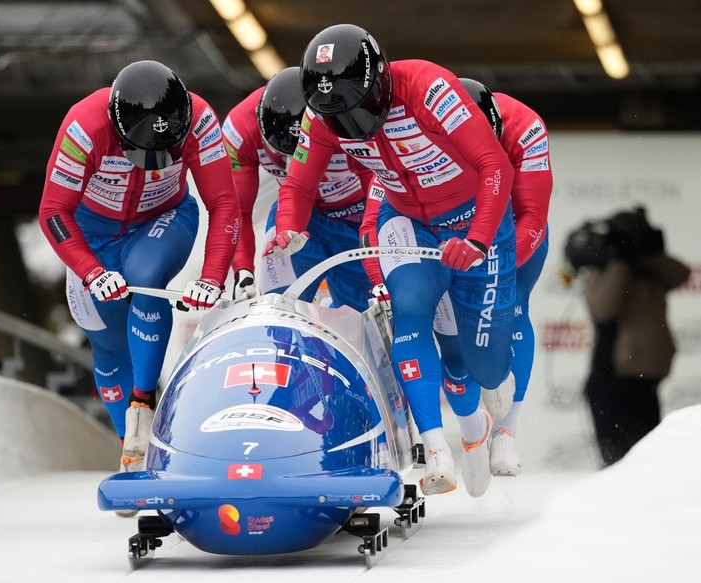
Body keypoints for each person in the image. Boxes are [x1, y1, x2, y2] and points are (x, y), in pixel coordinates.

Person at [264, 24, 517, 496]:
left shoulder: (429, 88)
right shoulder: (322, 118)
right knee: (410, 311)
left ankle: (480, 417)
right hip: (407, 220)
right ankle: (435, 446)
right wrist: (289, 229)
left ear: (380, 82)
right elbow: (297, 185)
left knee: (486, 368)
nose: (349, 125)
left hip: (474, 223)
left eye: (356, 111)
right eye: (336, 116)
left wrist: (480, 239)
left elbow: (494, 167)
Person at [39, 60, 240, 476]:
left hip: (162, 221)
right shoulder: (83, 126)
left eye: (164, 153)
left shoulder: (201, 120)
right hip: (92, 239)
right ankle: (132, 448)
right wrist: (91, 271)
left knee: (145, 279)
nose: (151, 162)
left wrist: (212, 276)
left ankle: (144, 401)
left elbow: (224, 203)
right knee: (108, 347)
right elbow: (54, 212)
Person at [434, 79, 553, 490]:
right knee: (453, 336)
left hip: (512, 234)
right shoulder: (429, 126)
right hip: (453, 231)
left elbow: (534, 216)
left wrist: (494, 265)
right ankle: (472, 430)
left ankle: (507, 431)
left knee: (512, 304)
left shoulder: (526, 127)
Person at [222, 66, 375, 309]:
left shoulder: (347, 119)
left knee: (362, 318)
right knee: (278, 309)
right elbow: (237, 210)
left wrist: (375, 242)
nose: (294, 165)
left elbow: (378, 187)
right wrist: (243, 268)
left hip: (356, 217)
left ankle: (328, 308)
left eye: (305, 154)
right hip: (294, 220)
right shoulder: (240, 129)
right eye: (283, 155)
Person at [565, 207, 689, 467]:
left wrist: (645, 252)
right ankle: (616, 505)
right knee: (617, 463)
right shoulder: (603, 270)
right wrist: (620, 259)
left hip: (642, 382)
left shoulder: (649, 269)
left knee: (647, 460)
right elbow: (605, 309)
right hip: (612, 381)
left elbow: (682, 274)